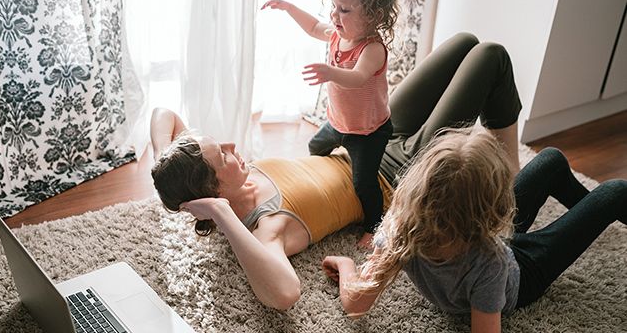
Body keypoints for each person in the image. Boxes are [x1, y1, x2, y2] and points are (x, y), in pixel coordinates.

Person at [150, 32, 522, 310]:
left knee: (462, 43)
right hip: (396, 173)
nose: (233, 147)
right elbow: (284, 294)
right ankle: (510, 169)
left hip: (365, 142)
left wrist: (161, 161)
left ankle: (506, 162)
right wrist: (221, 214)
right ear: (215, 193)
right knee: (490, 57)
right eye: (224, 157)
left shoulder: (223, 174)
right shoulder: (267, 227)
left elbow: (162, 114)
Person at [321, 128, 627, 332]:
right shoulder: (489, 260)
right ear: (493, 212)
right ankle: (588, 215)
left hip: (477, 240)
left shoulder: (400, 227)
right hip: (524, 275)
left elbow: (355, 304)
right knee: (613, 193)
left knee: (550, 160)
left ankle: (583, 215)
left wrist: (348, 265)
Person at [261, 0, 399, 247]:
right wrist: (289, 7)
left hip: (369, 132)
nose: (334, 15)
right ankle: (332, 180)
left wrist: (330, 72)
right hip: (339, 122)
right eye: (334, 7)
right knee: (315, 148)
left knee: (364, 183)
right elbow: (313, 26)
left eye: (345, 10)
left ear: (375, 16)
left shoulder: (372, 49)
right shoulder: (337, 34)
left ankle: (374, 225)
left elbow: (358, 78)